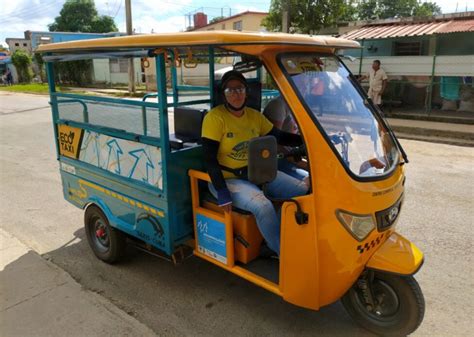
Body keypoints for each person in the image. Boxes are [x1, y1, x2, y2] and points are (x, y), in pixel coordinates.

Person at [201, 71, 308, 256]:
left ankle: (274, 239)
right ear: (223, 94)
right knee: (263, 206)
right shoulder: (215, 118)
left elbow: (279, 136)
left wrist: (308, 140)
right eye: (230, 90)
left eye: (240, 89)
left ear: (246, 91)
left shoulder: (254, 116)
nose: (236, 94)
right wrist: (221, 190)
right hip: (228, 180)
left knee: (303, 191)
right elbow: (209, 158)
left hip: (257, 172)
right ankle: (285, 254)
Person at [263, 96, 309, 184]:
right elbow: (274, 141)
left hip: (288, 154)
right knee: (308, 184)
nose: (305, 85)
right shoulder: (278, 105)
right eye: (302, 82)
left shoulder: (295, 103)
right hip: (278, 159)